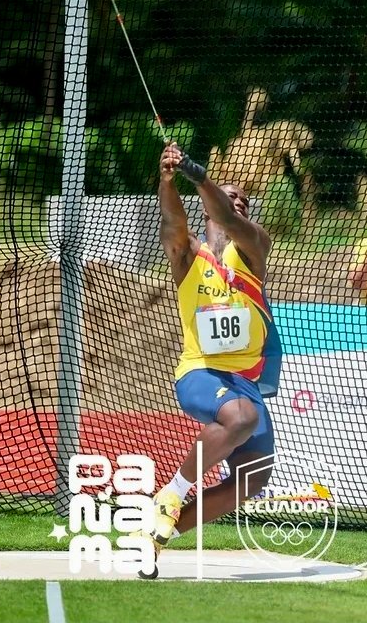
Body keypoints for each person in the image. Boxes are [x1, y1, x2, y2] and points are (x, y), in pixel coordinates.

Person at [145, 142, 282, 568]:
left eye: (243, 199)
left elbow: (226, 217)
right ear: (204, 210)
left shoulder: (254, 246)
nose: (236, 201)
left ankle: (154, 534)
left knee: (253, 477)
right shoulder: (189, 257)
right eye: (229, 195)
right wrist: (168, 180)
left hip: (244, 381)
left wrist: (198, 174)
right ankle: (172, 492)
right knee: (242, 419)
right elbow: (171, 224)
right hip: (200, 372)